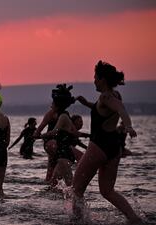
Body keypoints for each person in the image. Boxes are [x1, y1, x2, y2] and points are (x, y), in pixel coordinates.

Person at [72, 61, 142, 223]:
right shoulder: (113, 95)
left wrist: (129, 126)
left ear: (103, 79)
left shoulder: (106, 96)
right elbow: (105, 109)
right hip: (113, 148)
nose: (94, 80)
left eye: (96, 77)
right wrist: (87, 104)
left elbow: (120, 109)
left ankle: (77, 221)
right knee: (107, 191)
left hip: (98, 147)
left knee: (76, 189)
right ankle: (133, 218)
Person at [40, 84, 78, 187]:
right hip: (62, 155)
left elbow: (54, 132)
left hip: (64, 155)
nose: (51, 105)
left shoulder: (63, 116)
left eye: (53, 103)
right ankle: (55, 201)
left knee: (71, 186)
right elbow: (74, 132)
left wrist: (42, 135)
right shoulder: (65, 116)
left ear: (57, 105)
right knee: (53, 183)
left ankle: (77, 202)